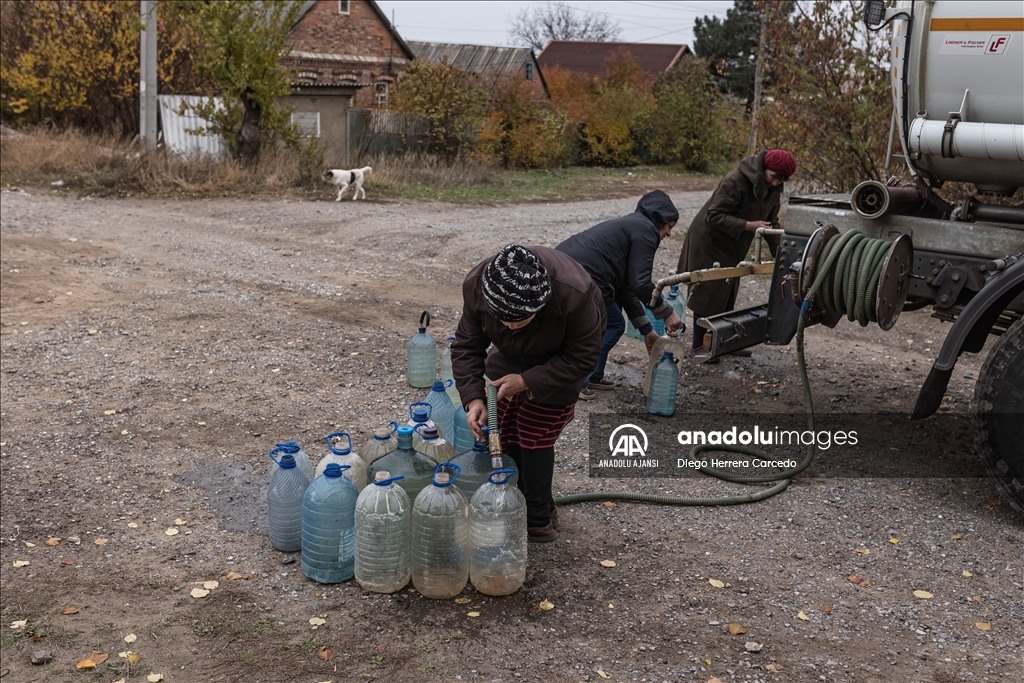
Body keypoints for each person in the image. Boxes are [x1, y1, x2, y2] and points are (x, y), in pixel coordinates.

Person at [451, 244, 605, 543]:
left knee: (534, 435)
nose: (508, 325)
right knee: (504, 431)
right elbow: (467, 346)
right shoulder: (478, 285)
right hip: (510, 355)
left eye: (518, 320)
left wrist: (527, 381)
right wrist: (473, 397)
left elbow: (583, 358)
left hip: (560, 358)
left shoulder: (575, 294)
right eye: (502, 320)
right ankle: (526, 503)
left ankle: (536, 521)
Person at [556, 190, 685, 399]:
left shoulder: (635, 224)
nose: (669, 233)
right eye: (669, 226)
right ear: (659, 219)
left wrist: (646, 329)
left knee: (607, 321)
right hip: (581, 276)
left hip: (566, 268)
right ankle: (577, 379)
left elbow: (627, 285)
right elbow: (641, 283)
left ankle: (594, 376)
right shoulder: (646, 232)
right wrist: (667, 313)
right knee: (614, 324)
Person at [676, 149, 797, 362]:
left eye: (781, 180)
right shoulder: (736, 180)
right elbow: (714, 215)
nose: (777, 183)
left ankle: (725, 342)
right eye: (774, 177)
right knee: (707, 293)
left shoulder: (772, 189)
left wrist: (781, 253)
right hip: (709, 242)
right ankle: (698, 346)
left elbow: (771, 222)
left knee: (727, 292)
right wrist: (749, 225)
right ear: (763, 170)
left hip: (733, 244)